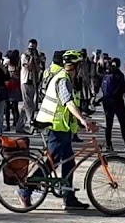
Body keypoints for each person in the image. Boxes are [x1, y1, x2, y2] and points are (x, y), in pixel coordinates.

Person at [34, 49, 99, 210]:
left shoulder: (67, 78)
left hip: (63, 127)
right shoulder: (63, 80)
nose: (81, 69)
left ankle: (68, 197)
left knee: (69, 161)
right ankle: (26, 189)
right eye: (79, 65)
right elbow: (69, 103)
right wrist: (83, 121)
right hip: (56, 127)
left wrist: (84, 118)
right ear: (74, 66)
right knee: (52, 161)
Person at [99, 57, 125, 151]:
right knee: (122, 123)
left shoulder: (106, 74)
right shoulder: (119, 75)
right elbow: (122, 89)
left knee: (109, 124)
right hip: (117, 102)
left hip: (107, 102)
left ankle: (109, 145)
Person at [20, 39, 44, 132]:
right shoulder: (24, 56)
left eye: (33, 48)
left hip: (33, 82)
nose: (31, 50)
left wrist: (36, 58)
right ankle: (31, 125)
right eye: (30, 48)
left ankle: (19, 126)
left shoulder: (37, 57)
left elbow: (38, 69)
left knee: (27, 105)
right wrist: (31, 58)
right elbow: (28, 67)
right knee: (29, 105)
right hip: (25, 81)